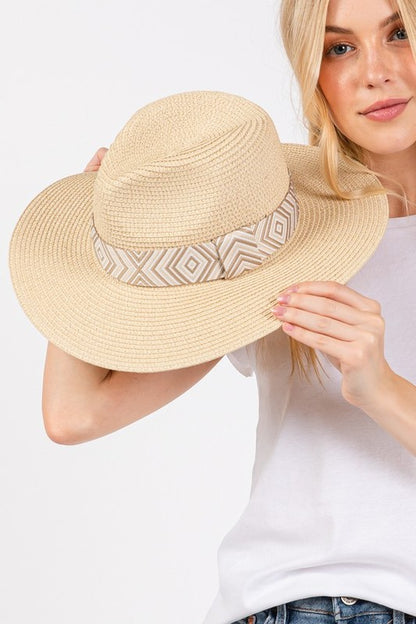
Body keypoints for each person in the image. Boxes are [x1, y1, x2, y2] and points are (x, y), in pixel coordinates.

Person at [17, 0, 416, 623]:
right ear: (312, 74)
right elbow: (75, 414)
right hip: (275, 603)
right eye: (339, 48)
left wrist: (381, 388)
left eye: (399, 33)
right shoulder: (281, 235)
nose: (376, 73)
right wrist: (95, 255)